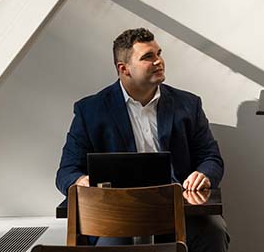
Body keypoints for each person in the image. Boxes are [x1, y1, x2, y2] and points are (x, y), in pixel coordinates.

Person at [56, 28, 229, 252]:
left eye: (159, 53)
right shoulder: (90, 111)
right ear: (124, 68)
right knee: (109, 246)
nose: (159, 61)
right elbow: (66, 171)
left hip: (178, 210)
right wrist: (81, 181)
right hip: (117, 215)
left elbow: (211, 157)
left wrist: (204, 174)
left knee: (213, 232)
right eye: (148, 57)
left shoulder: (188, 104)